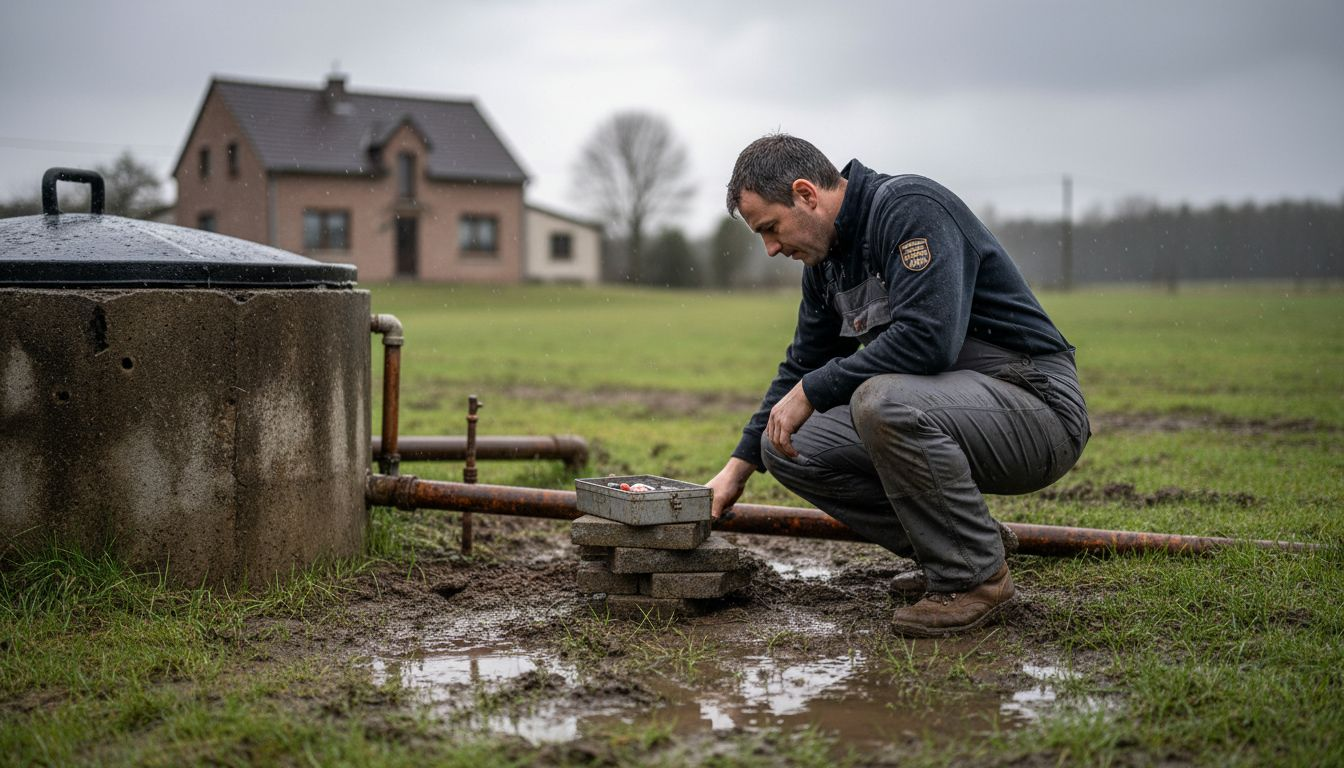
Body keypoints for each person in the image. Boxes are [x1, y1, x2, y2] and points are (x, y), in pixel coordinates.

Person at [706, 134, 1089, 637]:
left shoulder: (908, 209)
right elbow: (802, 363)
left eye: (771, 228)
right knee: (784, 444)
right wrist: (736, 470)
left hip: (1037, 407)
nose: (772, 248)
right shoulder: (826, 265)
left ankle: (975, 580)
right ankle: (961, 546)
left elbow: (929, 341)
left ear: (806, 194)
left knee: (882, 400)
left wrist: (814, 389)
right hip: (949, 406)